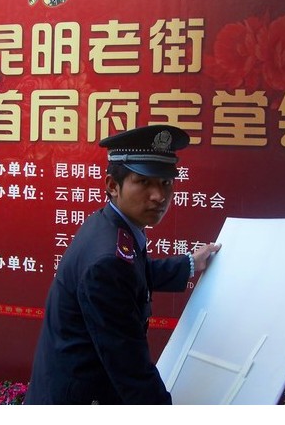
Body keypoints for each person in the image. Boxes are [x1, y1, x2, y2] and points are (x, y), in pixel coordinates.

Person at [24, 125, 221, 405]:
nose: (159, 196)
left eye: (165, 182)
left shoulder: (109, 225)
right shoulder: (107, 259)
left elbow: (133, 275)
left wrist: (190, 262)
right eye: (144, 182)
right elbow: (129, 365)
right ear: (112, 186)